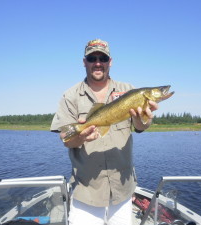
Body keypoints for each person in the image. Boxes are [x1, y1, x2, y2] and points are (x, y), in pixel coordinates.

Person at [50, 39, 159, 225]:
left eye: (103, 57)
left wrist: (144, 121)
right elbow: (66, 140)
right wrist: (79, 137)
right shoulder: (70, 96)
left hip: (122, 191)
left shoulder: (129, 91)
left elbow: (140, 127)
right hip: (87, 193)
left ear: (110, 61)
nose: (98, 62)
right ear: (84, 62)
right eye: (92, 58)